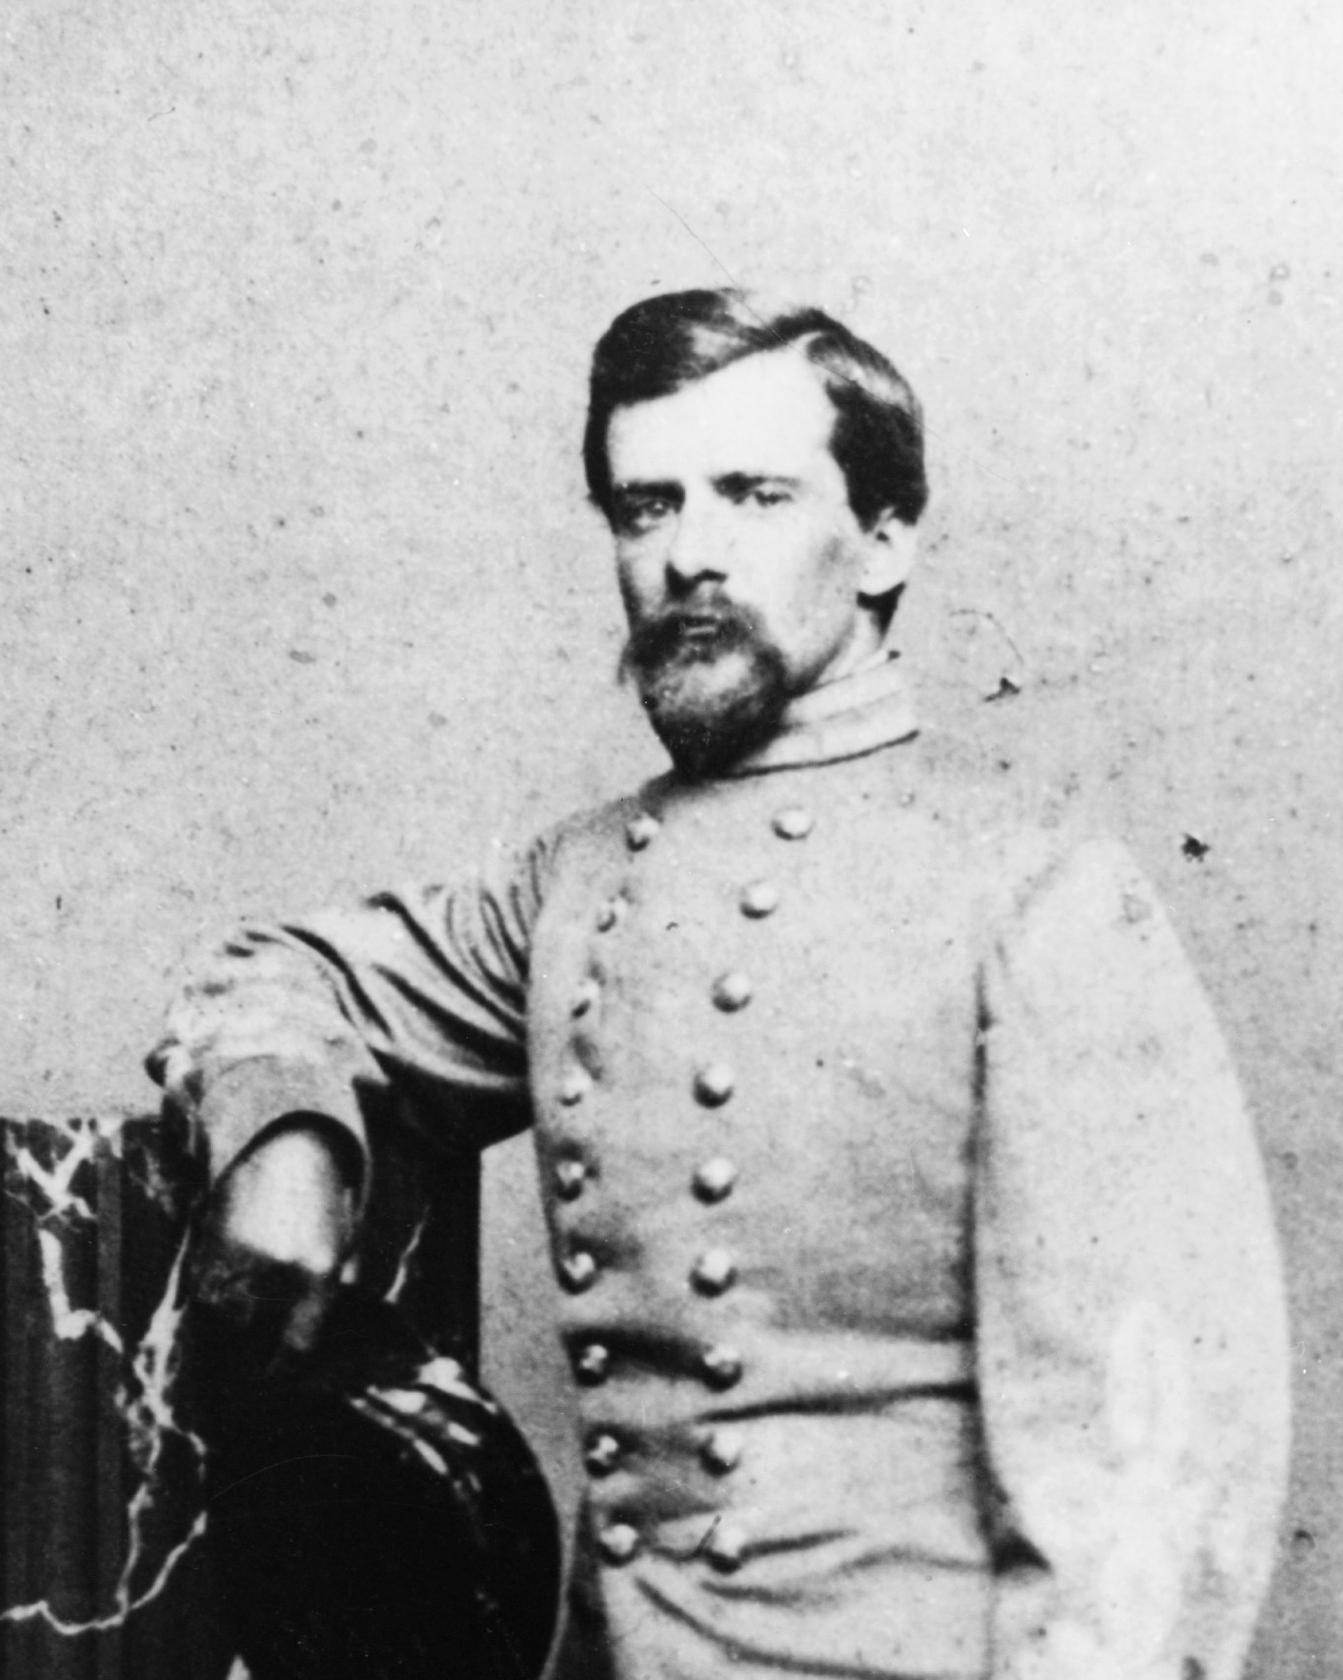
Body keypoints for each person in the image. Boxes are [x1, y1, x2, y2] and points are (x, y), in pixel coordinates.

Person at [151, 289, 1290, 1680]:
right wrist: (288, 1144)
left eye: (752, 496)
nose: (690, 554)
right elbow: (285, 977)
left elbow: (1150, 1503)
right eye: (644, 508)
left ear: (882, 540)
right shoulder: (574, 885)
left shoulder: (1041, 901)